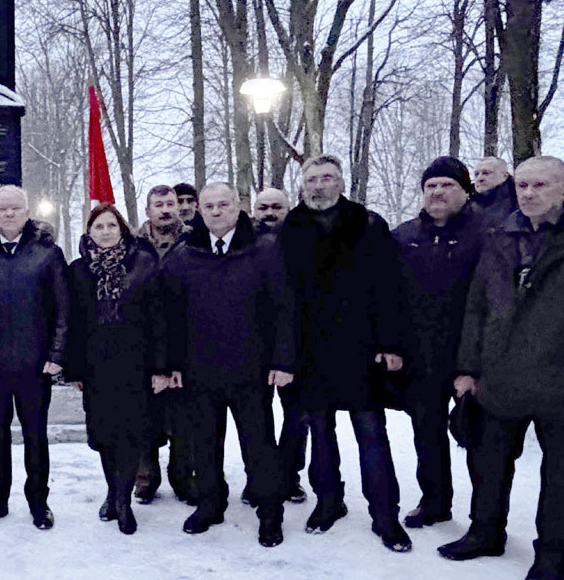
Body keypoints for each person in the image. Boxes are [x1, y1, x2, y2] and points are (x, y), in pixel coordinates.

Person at [441, 156, 564, 580]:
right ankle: (485, 533)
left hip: (563, 382)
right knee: (489, 464)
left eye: (541, 185)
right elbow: (477, 307)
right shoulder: (500, 236)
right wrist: (467, 369)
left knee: (560, 478)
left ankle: (552, 557)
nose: (529, 193)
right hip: (500, 376)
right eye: (522, 185)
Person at [278, 155, 412, 553]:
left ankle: (385, 515)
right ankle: (328, 502)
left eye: (327, 178)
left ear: (341, 183)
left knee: (371, 433)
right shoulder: (291, 228)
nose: (319, 186)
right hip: (311, 350)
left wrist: (390, 343)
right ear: (302, 186)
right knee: (320, 432)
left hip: (361, 349)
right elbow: (283, 295)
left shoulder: (367, 224)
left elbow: (391, 287)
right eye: (312, 179)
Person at [161, 184, 290, 547]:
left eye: (223, 204)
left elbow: (284, 308)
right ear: (199, 211)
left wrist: (283, 359)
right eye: (209, 206)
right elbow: (170, 315)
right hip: (200, 369)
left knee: (258, 445)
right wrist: (172, 364)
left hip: (252, 369)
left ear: (238, 207)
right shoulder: (185, 254)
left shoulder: (264, 249)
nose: (216, 211)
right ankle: (210, 504)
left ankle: (270, 513)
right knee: (204, 444)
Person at [0, 185, 68, 530]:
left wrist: (56, 354)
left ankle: (39, 502)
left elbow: (63, 308)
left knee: (36, 436)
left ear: (27, 212)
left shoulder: (47, 253)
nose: (9, 214)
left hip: (35, 364)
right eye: (2, 209)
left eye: (15, 208)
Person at [392, 157, 484, 529]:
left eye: (447, 185)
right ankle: (434, 501)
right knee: (427, 433)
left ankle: (485, 517)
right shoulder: (404, 236)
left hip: (472, 354)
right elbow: (388, 296)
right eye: (431, 186)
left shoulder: (488, 235)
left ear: (466, 191)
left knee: (478, 437)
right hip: (422, 355)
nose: (438, 192)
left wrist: (477, 362)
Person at [68, 204, 167, 535]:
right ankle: (112, 492)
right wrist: (75, 369)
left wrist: (160, 367)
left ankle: (123, 501)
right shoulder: (79, 270)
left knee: (130, 433)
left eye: (111, 225)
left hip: (135, 363)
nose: (106, 232)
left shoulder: (143, 263)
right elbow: (73, 322)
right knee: (104, 435)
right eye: (99, 226)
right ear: (89, 232)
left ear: (122, 229)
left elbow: (159, 318)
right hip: (96, 365)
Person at [133, 184, 194, 505]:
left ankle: (182, 474)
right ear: (148, 210)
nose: (166, 209)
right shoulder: (133, 244)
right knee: (144, 410)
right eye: (159, 204)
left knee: (183, 413)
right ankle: (146, 474)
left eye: (170, 203)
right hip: (143, 340)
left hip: (186, 335)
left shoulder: (194, 240)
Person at [251, 186, 306, 504]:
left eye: (276, 207)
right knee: (257, 418)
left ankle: (289, 475)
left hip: (297, 342)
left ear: (288, 209)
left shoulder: (301, 242)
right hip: (253, 344)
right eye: (263, 207)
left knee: (297, 415)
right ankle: (260, 477)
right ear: (253, 210)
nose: (269, 213)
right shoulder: (242, 242)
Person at [471, 156, 516, 228]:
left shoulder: (519, 202)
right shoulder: (465, 205)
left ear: (504, 176)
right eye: (476, 174)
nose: (479, 178)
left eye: (486, 173)